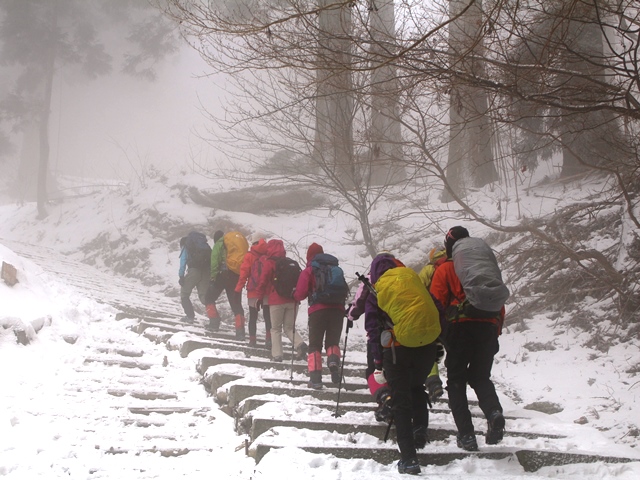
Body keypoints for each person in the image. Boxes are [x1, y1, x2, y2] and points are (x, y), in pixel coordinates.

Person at [429, 226, 506, 452]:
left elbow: (436, 304)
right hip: (488, 329)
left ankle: (467, 435)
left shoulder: (446, 269)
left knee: (456, 381)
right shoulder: (487, 270)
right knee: (481, 377)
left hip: (460, 330)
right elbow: (499, 305)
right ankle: (494, 412)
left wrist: (438, 336)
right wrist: (495, 331)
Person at [370, 254, 439, 475]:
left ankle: (408, 458)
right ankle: (420, 429)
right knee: (417, 386)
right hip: (426, 345)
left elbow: (374, 331)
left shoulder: (378, 289)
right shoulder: (413, 280)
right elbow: (437, 307)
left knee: (401, 401)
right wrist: (439, 342)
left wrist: (378, 363)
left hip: (396, 349)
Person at [293, 243, 346, 389]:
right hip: (337, 310)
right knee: (332, 342)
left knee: (315, 345)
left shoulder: (310, 270)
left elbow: (300, 293)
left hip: (318, 311)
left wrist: (294, 294)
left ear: (309, 256)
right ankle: (333, 360)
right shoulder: (336, 269)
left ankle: (315, 380)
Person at [255, 239, 307, 362]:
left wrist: (259, 297)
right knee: (289, 328)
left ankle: (277, 355)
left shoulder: (270, 262)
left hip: (277, 300)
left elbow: (262, 281)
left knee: (276, 329)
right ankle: (300, 344)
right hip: (292, 300)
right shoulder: (290, 263)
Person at [418, 247, 449, 401]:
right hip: (455, 313)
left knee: (429, 348)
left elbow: (419, 289)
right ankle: (456, 385)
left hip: (434, 313)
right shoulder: (454, 266)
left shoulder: (429, 268)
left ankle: (433, 382)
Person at [207, 230, 249, 339]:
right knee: (236, 305)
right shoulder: (233, 244)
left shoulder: (219, 244)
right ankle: (240, 332)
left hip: (222, 276)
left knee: (209, 298)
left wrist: (213, 277)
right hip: (235, 276)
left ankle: (214, 323)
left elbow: (214, 261)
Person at [235, 235, 272, 348]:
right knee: (267, 317)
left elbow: (244, 273)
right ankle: (269, 339)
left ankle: (252, 340)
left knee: (253, 317)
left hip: (253, 291)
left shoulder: (249, 256)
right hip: (266, 290)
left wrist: (238, 288)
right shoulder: (269, 255)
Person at [178, 232, 216, 324]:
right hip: (206, 272)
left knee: (184, 293)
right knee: (205, 297)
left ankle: (190, 316)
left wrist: (181, 276)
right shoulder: (204, 247)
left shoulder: (186, 246)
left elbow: (183, 261)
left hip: (194, 271)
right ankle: (214, 319)